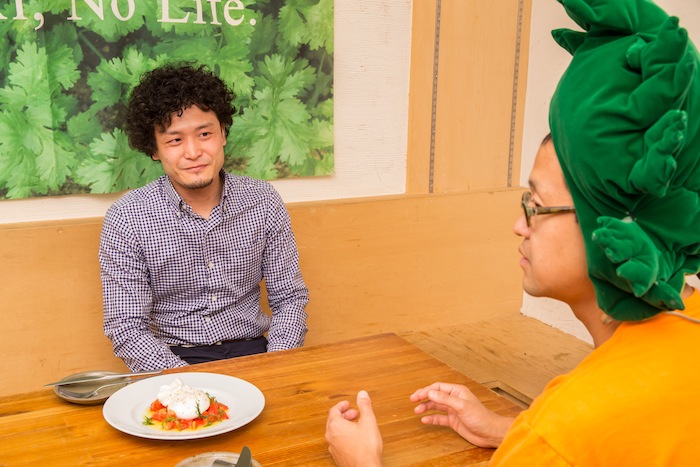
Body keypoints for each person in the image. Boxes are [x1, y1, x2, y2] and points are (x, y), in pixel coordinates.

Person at [326, 0, 700, 464]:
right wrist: (513, 429)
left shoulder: (568, 426)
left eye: (537, 206)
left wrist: (360, 461)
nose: (518, 225)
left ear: (613, 228)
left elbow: (575, 437)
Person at [99, 63, 309, 371]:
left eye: (205, 133)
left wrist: (274, 365)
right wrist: (187, 387)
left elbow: (289, 299)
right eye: (175, 140)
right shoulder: (127, 217)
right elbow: (127, 328)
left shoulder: (263, 201)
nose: (194, 152)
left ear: (223, 133)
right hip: (170, 361)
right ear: (154, 149)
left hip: (255, 353)